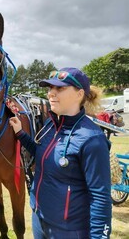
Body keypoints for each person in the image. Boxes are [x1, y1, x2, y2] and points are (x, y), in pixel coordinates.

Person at [9, 68, 112, 239]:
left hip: (68, 230)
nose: (51, 94)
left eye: (60, 88)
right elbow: (42, 156)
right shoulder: (51, 124)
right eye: (50, 89)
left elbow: (100, 198)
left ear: (80, 94)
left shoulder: (92, 139)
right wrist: (20, 133)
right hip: (39, 219)